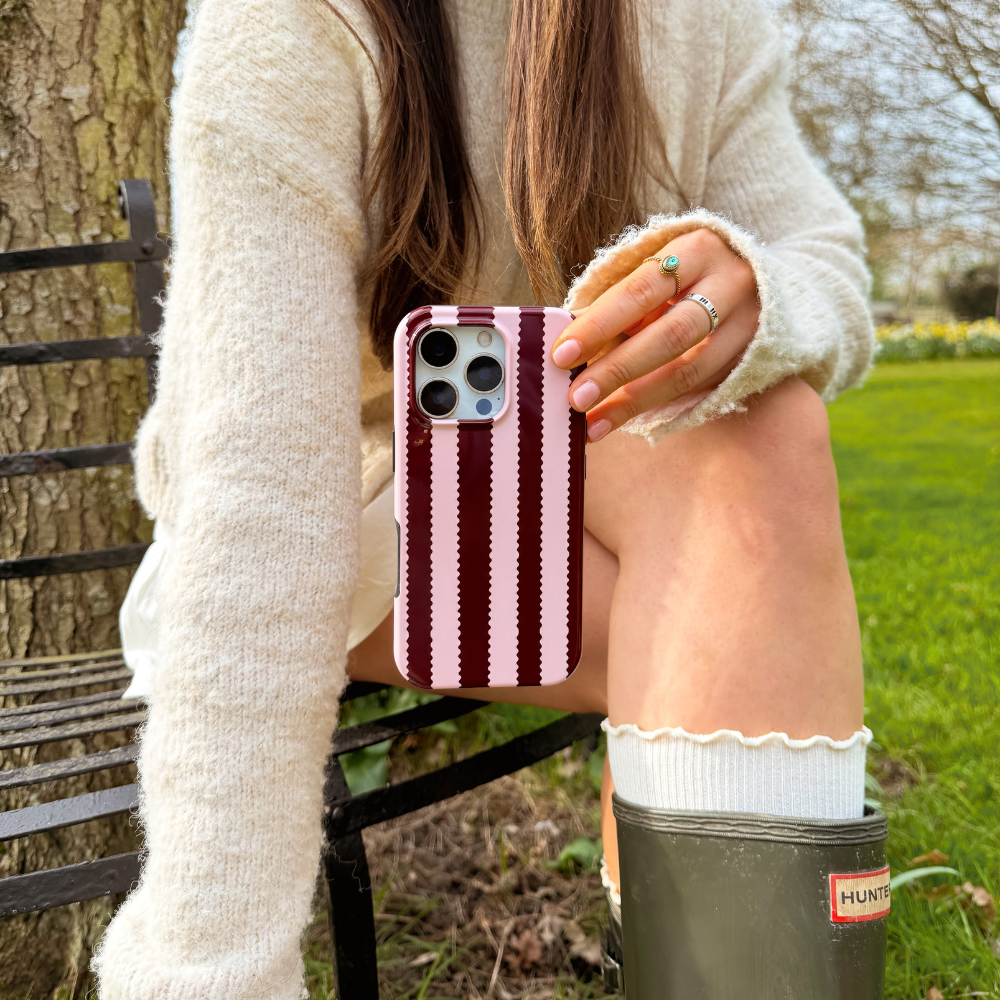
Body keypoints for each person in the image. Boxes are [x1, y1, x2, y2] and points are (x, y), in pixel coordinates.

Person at [95, 0, 888, 996]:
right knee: (734, 607)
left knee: (759, 436)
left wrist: (756, 292)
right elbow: (259, 498)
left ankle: (705, 972)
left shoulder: (696, 20)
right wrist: (212, 968)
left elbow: (823, 258)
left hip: (579, 485)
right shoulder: (292, 23)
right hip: (353, 513)